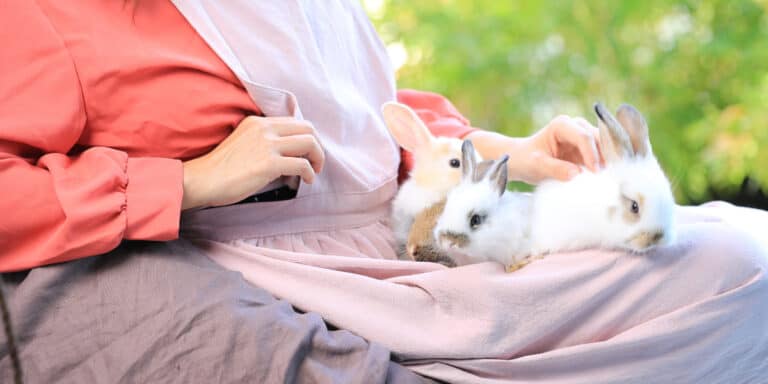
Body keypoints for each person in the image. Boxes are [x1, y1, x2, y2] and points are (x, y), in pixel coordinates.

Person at [0, 1, 766, 383]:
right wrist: (187, 181)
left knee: (738, 262)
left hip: (407, 238)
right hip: (302, 275)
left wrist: (513, 153)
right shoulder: (51, 17)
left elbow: (371, 124)